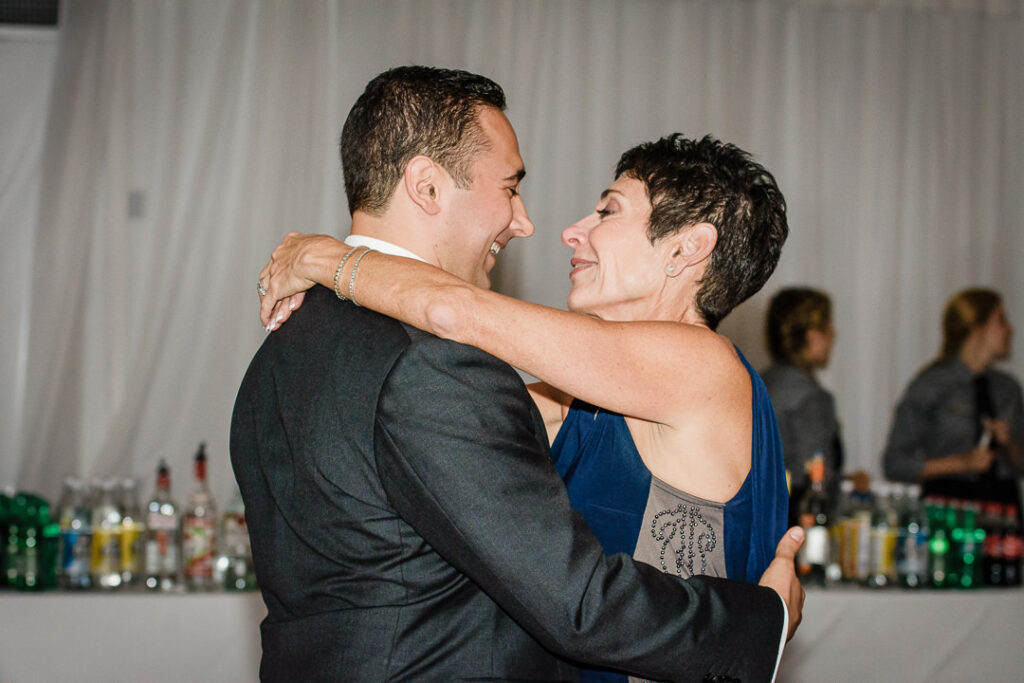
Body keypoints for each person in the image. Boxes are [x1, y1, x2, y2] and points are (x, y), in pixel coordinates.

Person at [235, 66, 803, 682]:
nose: (564, 229)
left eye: (606, 210)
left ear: (686, 249)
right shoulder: (553, 390)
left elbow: (455, 313)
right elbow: (469, 409)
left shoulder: (702, 364)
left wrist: (325, 257)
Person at [883, 288, 1023, 511]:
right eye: (1001, 321)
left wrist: (1009, 445)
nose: (1009, 330)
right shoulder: (932, 384)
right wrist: (962, 463)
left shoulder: (1007, 388)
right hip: (947, 506)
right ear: (977, 328)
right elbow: (895, 463)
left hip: (1002, 509)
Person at [761, 287, 844, 523]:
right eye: (827, 327)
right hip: (795, 526)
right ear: (811, 335)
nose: (833, 334)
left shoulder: (759, 382)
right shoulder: (810, 398)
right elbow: (815, 477)